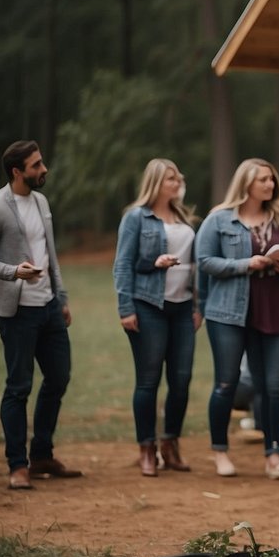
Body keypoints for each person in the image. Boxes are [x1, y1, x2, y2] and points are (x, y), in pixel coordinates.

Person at [0, 140, 82, 490]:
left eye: (41, 162)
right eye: (36, 165)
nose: (43, 169)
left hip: (48, 307)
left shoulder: (41, 201)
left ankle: (42, 455)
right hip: (16, 312)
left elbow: (50, 254)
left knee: (58, 378)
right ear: (17, 172)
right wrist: (13, 271)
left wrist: (60, 297)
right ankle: (18, 465)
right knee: (19, 387)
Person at [197, 158, 279, 479]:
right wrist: (244, 265)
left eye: (271, 179)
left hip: (276, 309)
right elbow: (204, 261)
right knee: (226, 383)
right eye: (262, 180)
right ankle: (220, 452)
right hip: (228, 313)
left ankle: (275, 454)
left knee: (274, 387)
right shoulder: (218, 220)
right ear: (246, 184)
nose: (269, 185)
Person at [113, 158, 202, 477]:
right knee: (149, 381)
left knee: (181, 381)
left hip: (182, 308)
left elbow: (195, 265)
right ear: (155, 182)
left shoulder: (184, 218)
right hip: (148, 305)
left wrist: (197, 305)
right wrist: (126, 308)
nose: (177, 182)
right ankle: (146, 448)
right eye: (170, 178)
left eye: (178, 177)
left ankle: (170, 444)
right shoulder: (136, 217)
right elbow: (123, 264)